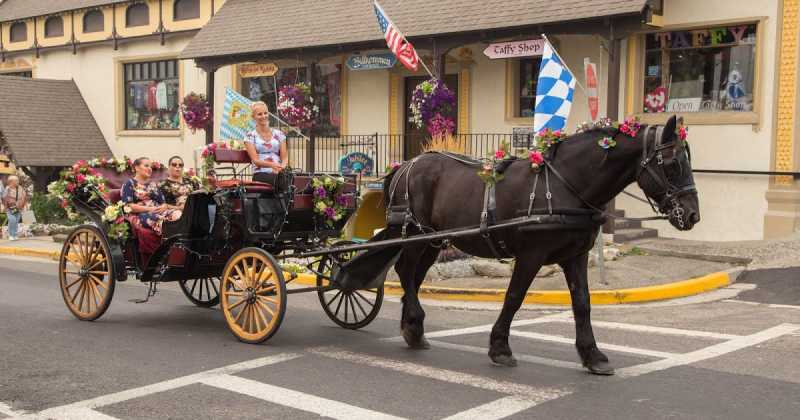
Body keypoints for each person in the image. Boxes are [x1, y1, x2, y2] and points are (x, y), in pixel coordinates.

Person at [121, 157, 181, 236]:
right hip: (142, 214)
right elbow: (129, 206)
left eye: (150, 167)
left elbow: (163, 202)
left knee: (178, 214)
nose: (150, 169)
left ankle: (182, 242)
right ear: (137, 168)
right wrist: (151, 209)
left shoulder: (153, 184)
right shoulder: (129, 184)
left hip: (159, 210)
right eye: (146, 166)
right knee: (163, 220)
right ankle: (172, 242)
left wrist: (163, 206)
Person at [244, 101, 289, 191]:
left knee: (288, 178)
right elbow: (256, 161)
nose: (263, 116)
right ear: (253, 117)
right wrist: (272, 165)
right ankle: (287, 205)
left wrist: (280, 169)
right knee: (282, 181)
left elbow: (284, 158)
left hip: (278, 172)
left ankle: (285, 205)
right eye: (259, 114)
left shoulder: (279, 134)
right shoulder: (250, 136)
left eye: (265, 113)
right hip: (260, 174)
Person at [2, 175, 26, 241]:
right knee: (12, 220)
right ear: (11, 182)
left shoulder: (20, 188)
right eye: (16, 180)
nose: (18, 181)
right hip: (10, 207)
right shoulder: (7, 189)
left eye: (17, 180)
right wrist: (5, 207)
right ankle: (11, 235)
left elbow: (24, 196)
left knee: (16, 221)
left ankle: (15, 235)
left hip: (18, 207)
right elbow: (4, 198)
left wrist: (22, 204)